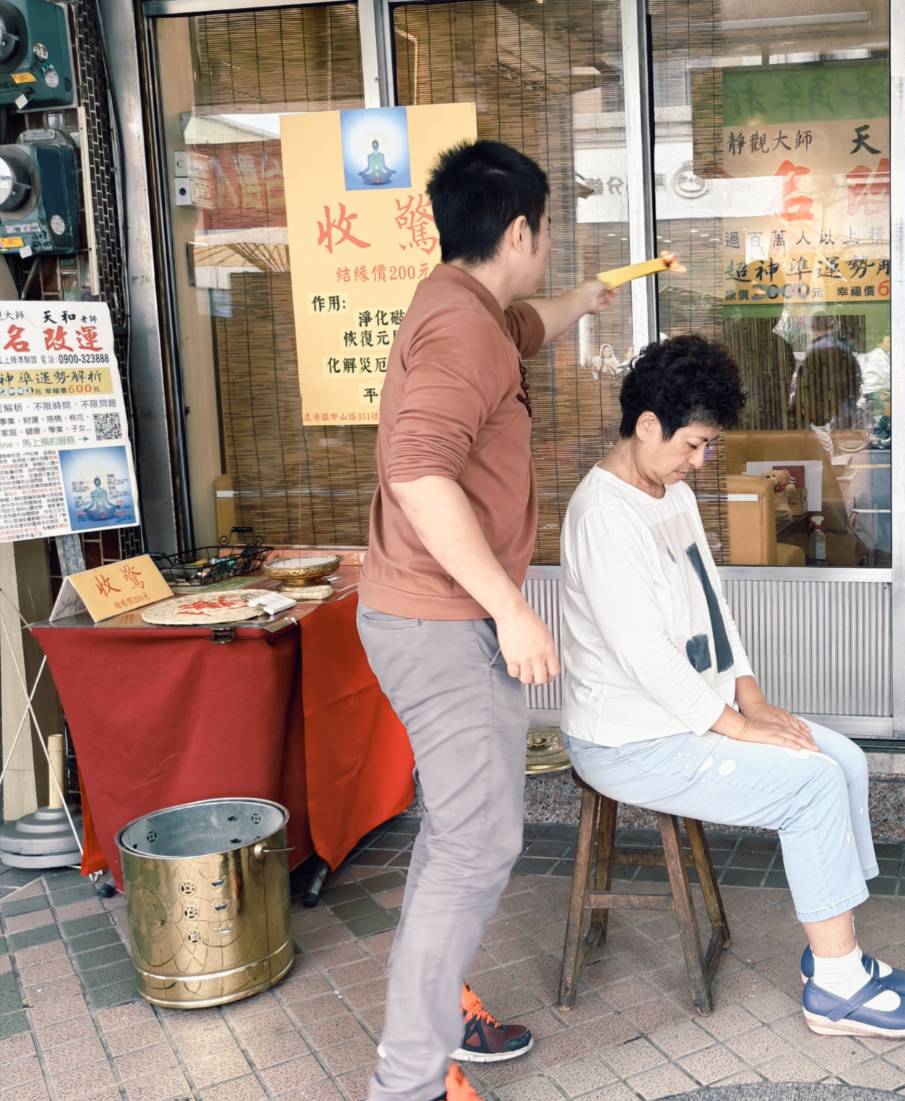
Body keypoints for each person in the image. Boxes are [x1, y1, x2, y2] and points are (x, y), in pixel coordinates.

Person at [558, 336, 905, 1040]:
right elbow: (644, 656)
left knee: (843, 759)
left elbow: (711, 598)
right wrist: (734, 725)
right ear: (647, 426)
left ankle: (837, 952)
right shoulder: (604, 516)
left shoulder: (665, 489)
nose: (700, 462)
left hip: (694, 712)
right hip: (628, 737)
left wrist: (752, 696)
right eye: (695, 445)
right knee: (811, 784)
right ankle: (835, 986)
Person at [357, 140, 614, 1101]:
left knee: (456, 837)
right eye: (546, 235)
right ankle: (411, 1081)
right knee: (478, 843)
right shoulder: (466, 332)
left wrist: (582, 302)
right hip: (443, 623)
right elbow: (419, 471)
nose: (546, 250)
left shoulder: (464, 307)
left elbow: (525, 326)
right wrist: (512, 610)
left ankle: (433, 1020)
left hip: (423, 613)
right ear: (519, 230)